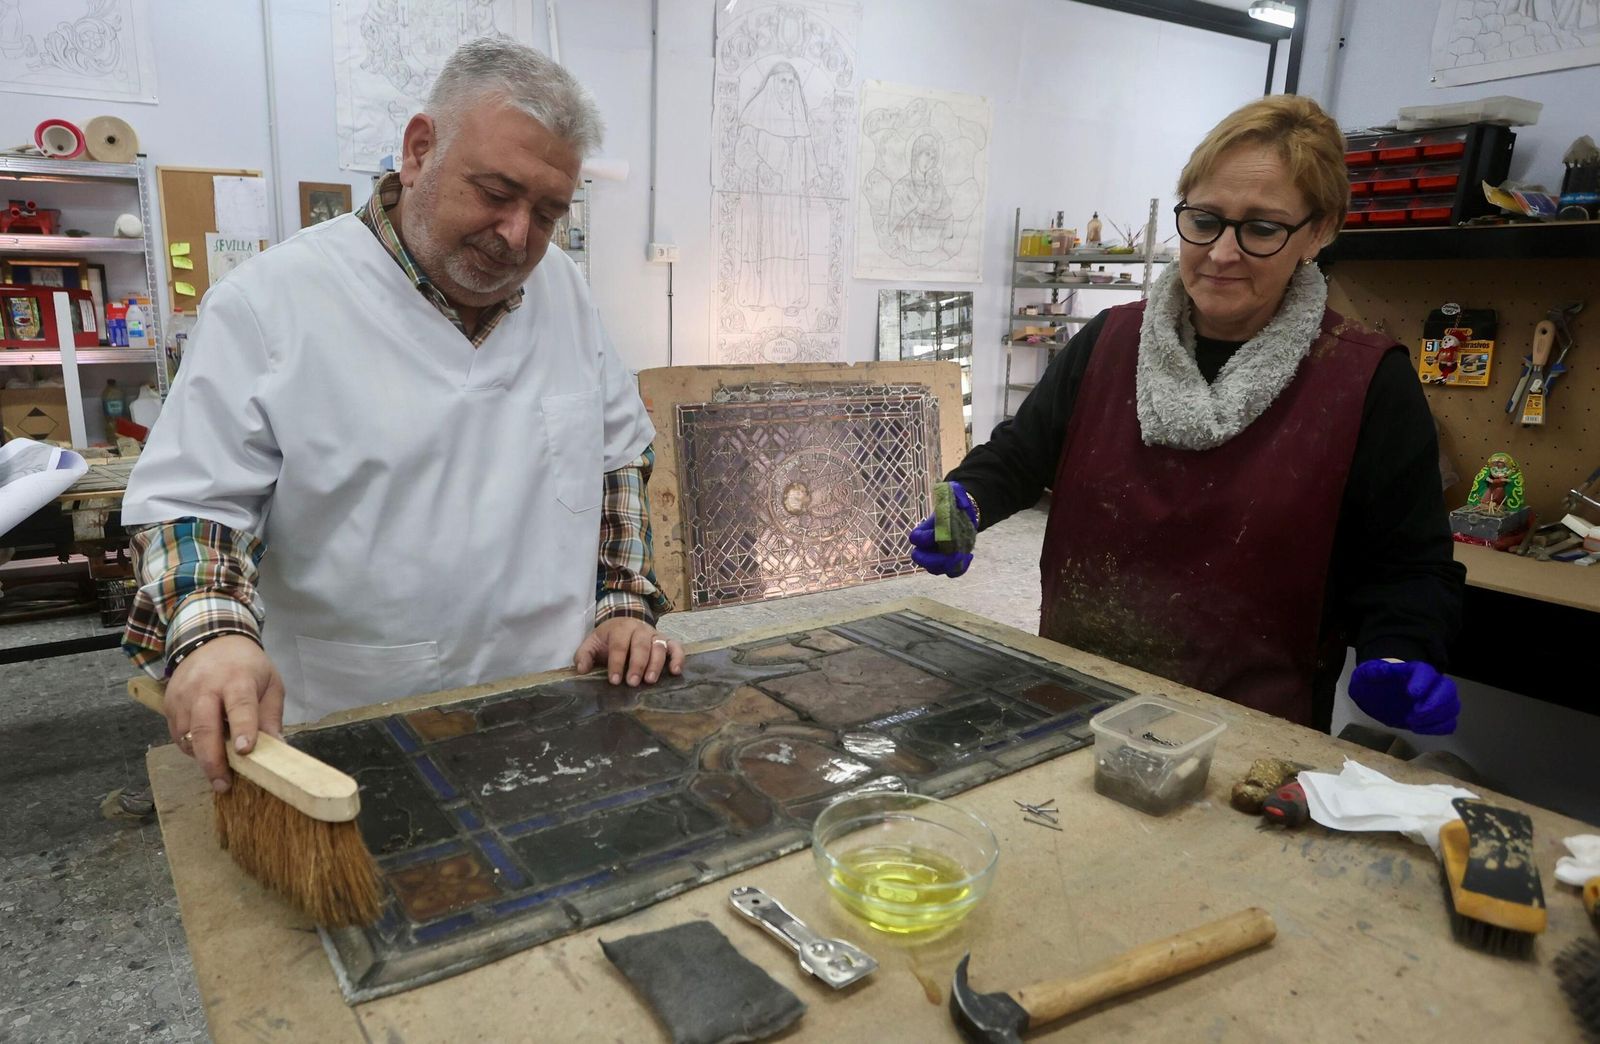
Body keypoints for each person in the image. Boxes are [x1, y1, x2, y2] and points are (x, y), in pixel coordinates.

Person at [120, 39, 684, 792]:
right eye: (495, 193)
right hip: (348, 727)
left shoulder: (566, 295)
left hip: (553, 704)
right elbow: (194, 505)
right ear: (419, 151)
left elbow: (617, 457)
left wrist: (622, 604)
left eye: (548, 212)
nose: (518, 235)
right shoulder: (272, 303)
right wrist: (213, 636)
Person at [910, 95, 1465, 736]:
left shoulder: (1365, 381)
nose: (1222, 253)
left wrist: (1402, 648)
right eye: (1205, 219)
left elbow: (1408, 564)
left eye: (1261, 229)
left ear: (1320, 231)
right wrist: (968, 500)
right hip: (1072, 702)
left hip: (1245, 733)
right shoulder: (1109, 343)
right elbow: (1019, 454)